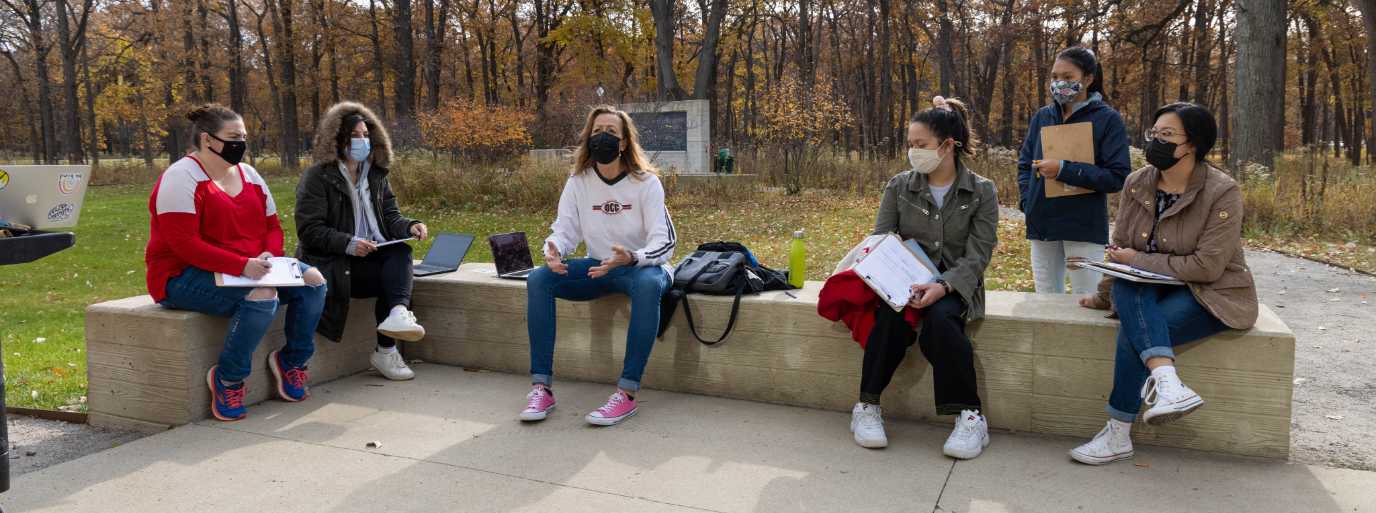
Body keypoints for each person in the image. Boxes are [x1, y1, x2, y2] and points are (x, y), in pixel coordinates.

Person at [1070, 102, 1258, 465]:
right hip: (1145, 287)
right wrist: (1103, 295)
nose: (1156, 141)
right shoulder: (1136, 182)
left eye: (1167, 135)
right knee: (1128, 291)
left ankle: (1118, 432)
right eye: (1154, 133)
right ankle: (1167, 382)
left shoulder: (1222, 191)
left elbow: (1207, 266)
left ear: (1193, 144)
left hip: (1210, 293)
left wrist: (1135, 260)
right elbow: (1120, 249)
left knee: (1135, 331)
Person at [145, 104, 327, 421]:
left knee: (314, 281)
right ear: (207, 139)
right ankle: (228, 379)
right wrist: (242, 265)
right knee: (262, 296)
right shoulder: (180, 177)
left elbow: (272, 226)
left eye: (243, 136)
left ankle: (292, 362)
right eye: (233, 136)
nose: (240, 143)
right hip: (182, 275)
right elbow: (184, 244)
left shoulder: (250, 175)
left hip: (251, 267)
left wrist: (268, 255)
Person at [851, 96, 999, 459]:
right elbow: (880, 240)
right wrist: (896, 278)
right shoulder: (900, 186)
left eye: (921, 145)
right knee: (889, 319)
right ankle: (866, 407)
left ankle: (970, 415)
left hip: (954, 283)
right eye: (910, 145)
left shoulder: (982, 191)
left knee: (941, 321)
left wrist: (942, 285)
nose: (913, 152)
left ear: (948, 146)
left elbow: (978, 255)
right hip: (901, 279)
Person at [519, 105, 677, 427]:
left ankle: (627, 394)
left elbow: (665, 242)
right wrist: (554, 250)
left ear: (622, 143)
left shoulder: (646, 183)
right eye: (596, 132)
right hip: (597, 267)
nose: (602, 137)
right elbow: (565, 229)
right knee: (539, 280)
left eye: (611, 133)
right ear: (588, 140)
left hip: (641, 267)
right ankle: (541, 388)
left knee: (648, 285)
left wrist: (632, 257)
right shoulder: (578, 182)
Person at [296, 102, 430, 381]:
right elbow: (309, 230)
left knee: (400, 253)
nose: (363, 141)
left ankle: (395, 321)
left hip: (369, 256)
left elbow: (390, 216)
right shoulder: (318, 177)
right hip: (335, 263)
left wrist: (410, 225)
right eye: (355, 136)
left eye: (366, 135)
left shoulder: (376, 174)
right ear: (338, 139)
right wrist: (348, 243)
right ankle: (388, 344)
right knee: (392, 273)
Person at [1018, 46, 1133, 295]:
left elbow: (1117, 176)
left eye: (1068, 78)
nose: (1059, 83)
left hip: (1082, 224)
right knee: (1046, 299)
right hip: (1042, 224)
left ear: (1089, 79)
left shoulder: (1107, 119)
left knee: (1086, 299)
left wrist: (1063, 169)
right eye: (1055, 77)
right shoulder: (1042, 117)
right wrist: (1028, 200)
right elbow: (1025, 163)